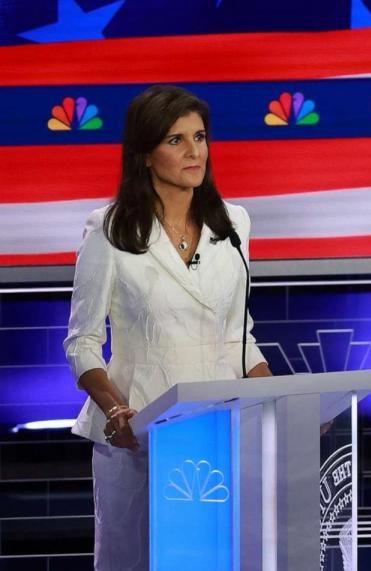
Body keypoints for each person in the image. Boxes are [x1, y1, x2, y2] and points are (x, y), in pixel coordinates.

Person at [63, 85, 271, 570]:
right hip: (139, 434)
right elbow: (82, 342)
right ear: (144, 154)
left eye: (199, 137)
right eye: (176, 140)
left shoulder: (234, 223)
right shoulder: (109, 229)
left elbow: (238, 337)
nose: (194, 151)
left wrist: (282, 402)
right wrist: (118, 411)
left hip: (217, 428)